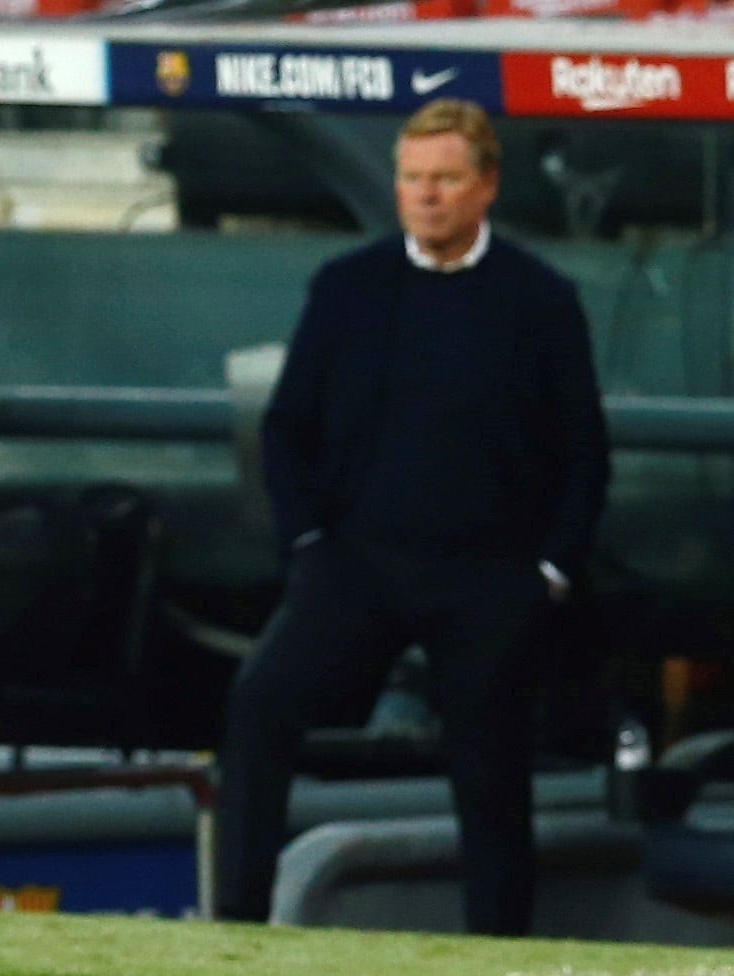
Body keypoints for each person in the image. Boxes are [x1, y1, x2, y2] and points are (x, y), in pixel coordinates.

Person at [213, 98, 611, 936]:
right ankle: (235, 929)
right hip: (355, 562)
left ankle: (499, 948)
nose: (424, 195)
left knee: (492, 767)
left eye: (444, 179)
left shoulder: (540, 299)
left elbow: (584, 452)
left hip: (489, 575)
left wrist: (548, 574)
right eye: (410, 178)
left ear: (485, 186)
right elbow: (286, 428)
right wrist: (308, 545)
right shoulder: (347, 287)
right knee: (259, 703)